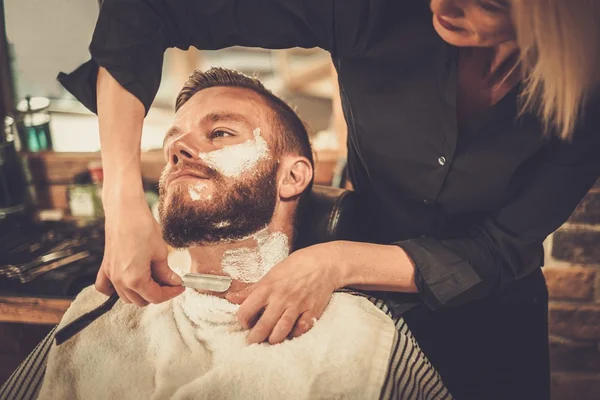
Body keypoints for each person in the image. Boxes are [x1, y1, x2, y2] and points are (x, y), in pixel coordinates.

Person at [56, 0, 600, 398]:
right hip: (356, 284)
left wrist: (334, 261)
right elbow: (144, 9)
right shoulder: (375, 8)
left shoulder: (588, 96)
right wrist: (123, 197)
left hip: (492, 308)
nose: (441, 6)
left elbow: (500, 249)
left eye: (489, 3)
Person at [5, 68, 452, 400]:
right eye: (171, 145)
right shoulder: (105, 308)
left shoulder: (357, 337)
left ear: (292, 178)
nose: (178, 150)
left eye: (219, 132)